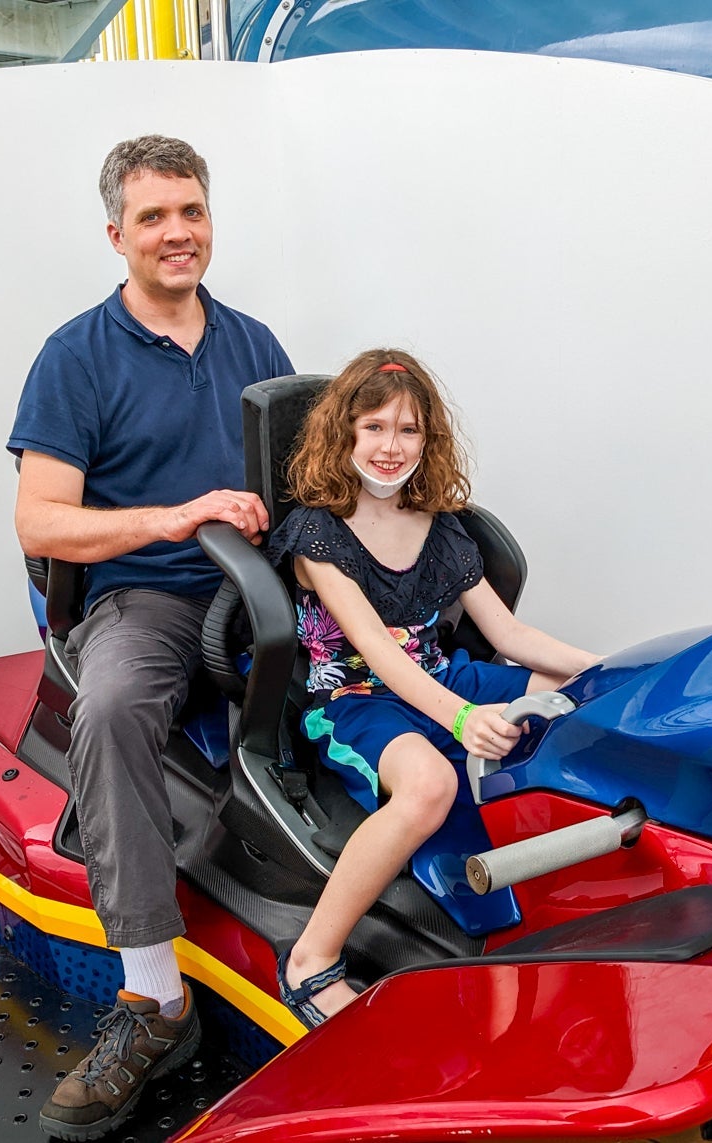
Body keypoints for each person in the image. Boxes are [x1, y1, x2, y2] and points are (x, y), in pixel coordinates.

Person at [7, 135, 293, 1141]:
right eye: (155, 217)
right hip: (156, 601)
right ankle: (152, 994)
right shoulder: (74, 357)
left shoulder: (257, 343)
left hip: (261, 595)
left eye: (192, 211)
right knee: (116, 703)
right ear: (117, 235)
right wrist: (171, 517)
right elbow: (41, 522)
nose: (178, 232)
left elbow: (296, 490)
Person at [265, 348, 599, 1027]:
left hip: (442, 676)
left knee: (576, 697)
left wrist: (613, 669)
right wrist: (464, 717)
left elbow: (507, 634)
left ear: (429, 439)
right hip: (355, 701)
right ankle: (309, 959)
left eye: (409, 430)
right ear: (345, 434)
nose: (392, 446)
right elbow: (377, 655)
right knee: (429, 787)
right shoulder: (315, 532)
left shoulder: (441, 528)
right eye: (375, 428)